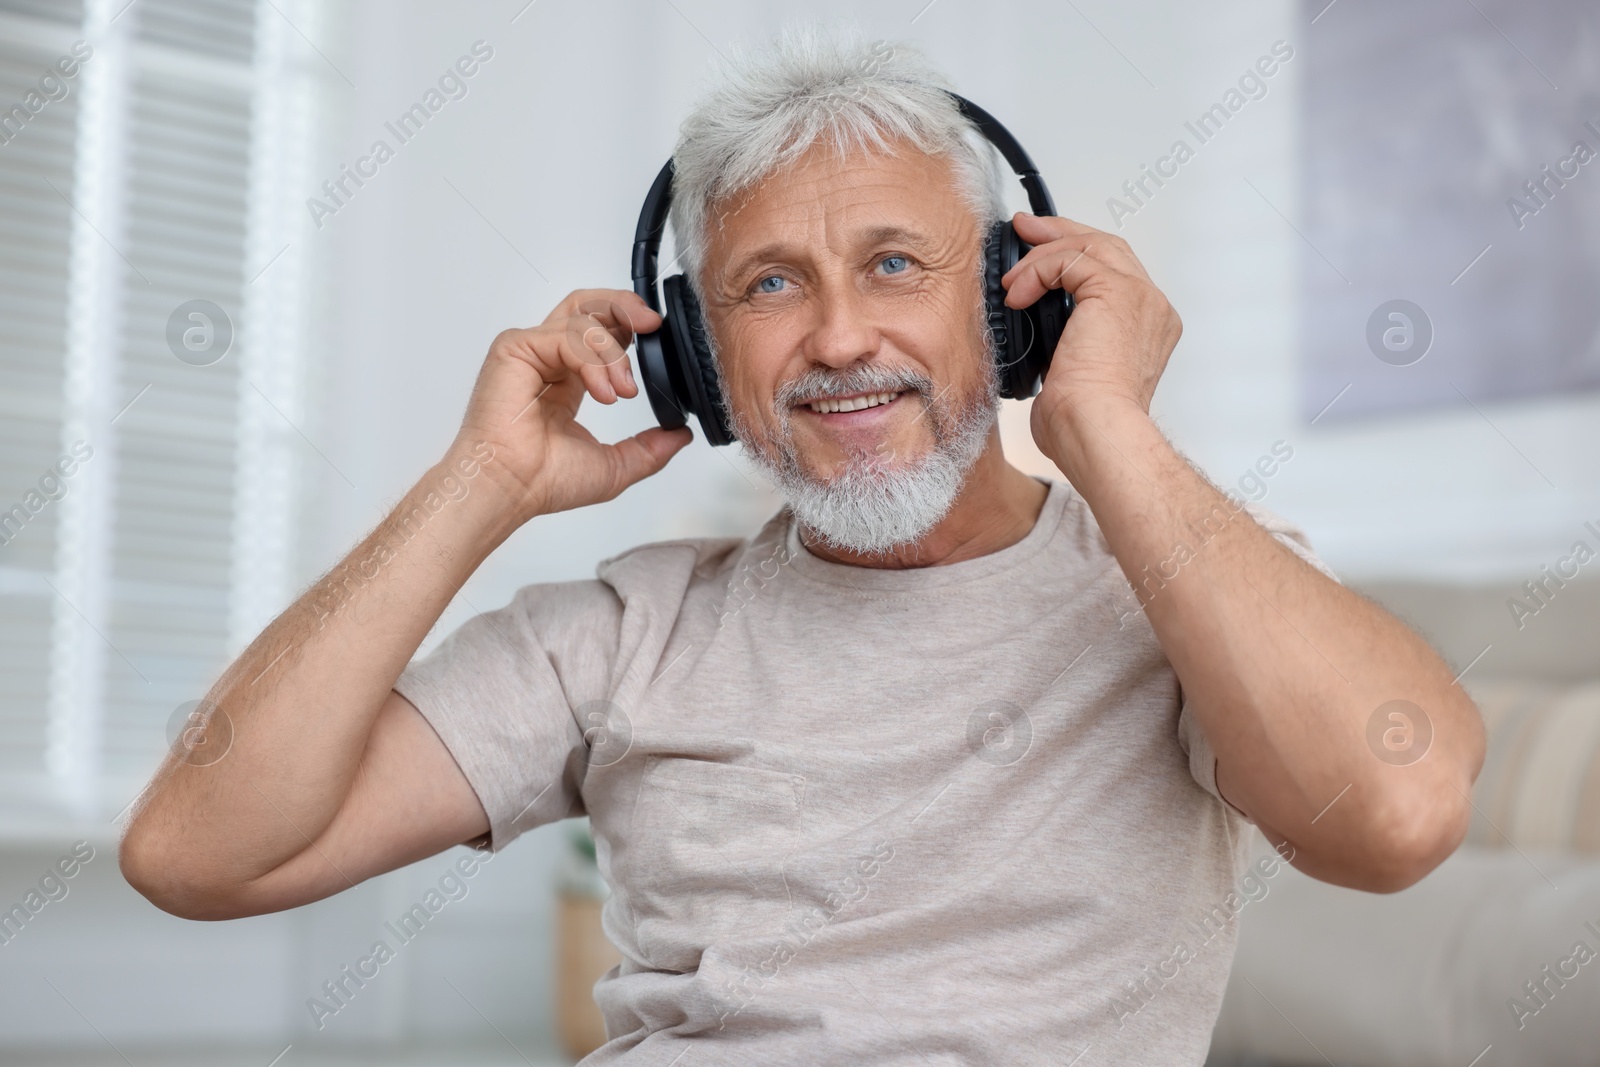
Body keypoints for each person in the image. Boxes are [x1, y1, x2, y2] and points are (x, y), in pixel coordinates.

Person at [120, 24, 1485, 1065]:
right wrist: (478, 482)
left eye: (896, 264)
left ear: (1013, 306)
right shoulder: (623, 630)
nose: (837, 338)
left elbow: (1396, 817)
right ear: (703, 362)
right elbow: (199, 853)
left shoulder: (1182, 596)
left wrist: (1103, 418)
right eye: (770, 285)